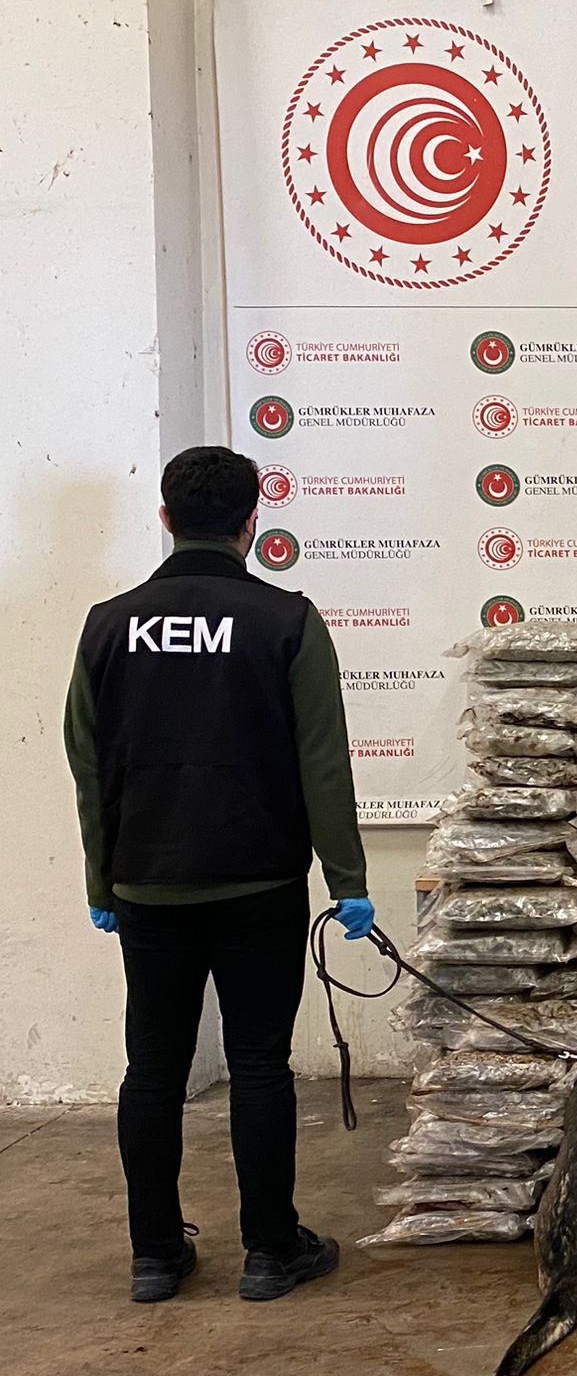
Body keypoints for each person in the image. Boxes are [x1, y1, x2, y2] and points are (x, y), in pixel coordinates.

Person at [64, 446, 377, 1302]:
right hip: (258, 884)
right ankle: (272, 1252)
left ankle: (155, 1256)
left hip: (147, 884)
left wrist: (101, 882)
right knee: (260, 1065)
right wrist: (347, 880)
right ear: (253, 522)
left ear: (166, 518)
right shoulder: (287, 621)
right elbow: (323, 764)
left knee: (152, 1070)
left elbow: (88, 764)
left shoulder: (108, 624)